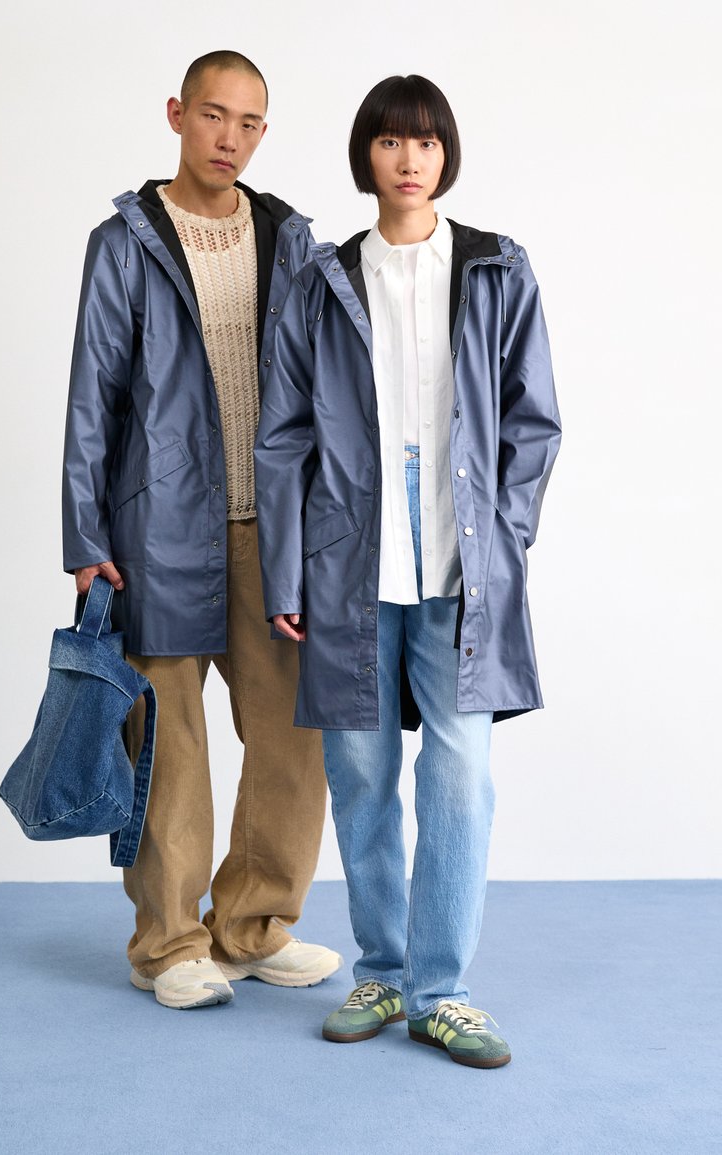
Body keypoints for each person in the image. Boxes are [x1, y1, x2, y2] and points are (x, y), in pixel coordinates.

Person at [254, 74, 560, 1066]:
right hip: (350, 574)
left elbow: (532, 421)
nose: (408, 159)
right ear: (367, 156)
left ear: (444, 154)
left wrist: (501, 537)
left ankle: (442, 988)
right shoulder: (323, 278)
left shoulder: (495, 269)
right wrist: (289, 571)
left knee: (459, 777)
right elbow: (284, 435)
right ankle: (381, 975)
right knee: (359, 776)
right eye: (389, 142)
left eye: (424, 142)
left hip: (461, 579)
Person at [62, 50, 340, 1010]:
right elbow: (92, 399)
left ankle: (254, 926)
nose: (231, 137)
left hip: (273, 529)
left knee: (293, 731)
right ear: (178, 114)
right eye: (215, 115)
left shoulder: (292, 238)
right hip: (158, 528)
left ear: (265, 131)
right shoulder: (126, 242)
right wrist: (85, 534)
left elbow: (323, 388)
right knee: (168, 743)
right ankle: (170, 941)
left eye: (251, 122)